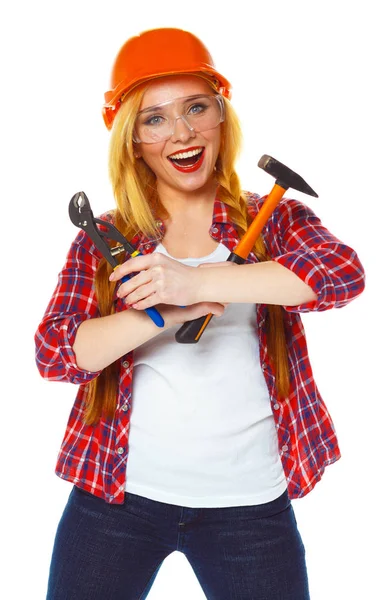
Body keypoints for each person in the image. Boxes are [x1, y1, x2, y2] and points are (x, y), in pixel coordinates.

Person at [35, 27, 365, 600]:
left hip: (249, 510)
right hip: (115, 501)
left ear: (221, 116)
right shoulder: (108, 237)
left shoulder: (274, 221)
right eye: (154, 118)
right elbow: (57, 352)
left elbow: (341, 276)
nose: (181, 132)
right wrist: (158, 313)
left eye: (196, 108)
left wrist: (202, 279)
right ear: (132, 139)